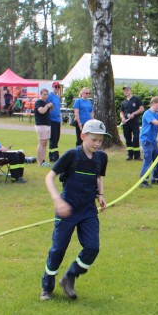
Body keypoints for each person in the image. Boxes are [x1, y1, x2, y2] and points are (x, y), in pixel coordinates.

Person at [39, 119, 110, 301]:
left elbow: (99, 176)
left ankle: (70, 276)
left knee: (92, 247)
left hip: (88, 210)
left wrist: (100, 194)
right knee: (58, 250)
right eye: (93, 139)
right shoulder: (71, 155)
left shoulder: (101, 158)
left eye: (100, 141)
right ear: (83, 136)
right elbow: (49, 178)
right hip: (67, 210)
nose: (97, 144)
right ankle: (47, 287)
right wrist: (57, 201)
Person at [120, 85, 145, 161]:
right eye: (125, 90)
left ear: (130, 90)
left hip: (134, 123)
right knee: (127, 139)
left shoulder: (136, 99)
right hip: (126, 124)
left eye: (127, 90)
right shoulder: (123, 102)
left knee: (136, 138)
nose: (126, 92)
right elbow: (121, 112)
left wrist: (134, 114)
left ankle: (137, 156)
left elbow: (142, 109)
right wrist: (122, 118)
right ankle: (130, 155)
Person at [34, 89, 53, 167]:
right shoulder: (39, 102)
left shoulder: (45, 103)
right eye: (44, 94)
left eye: (47, 95)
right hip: (41, 125)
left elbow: (48, 112)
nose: (46, 96)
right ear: (41, 94)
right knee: (42, 143)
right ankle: (40, 161)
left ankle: (43, 160)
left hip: (47, 124)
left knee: (45, 143)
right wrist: (47, 106)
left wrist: (50, 107)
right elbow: (41, 111)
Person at [48, 82, 63, 162]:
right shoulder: (50, 96)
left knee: (56, 138)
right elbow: (47, 105)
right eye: (56, 87)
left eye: (58, 87)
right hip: (52, 120)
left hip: (57, 119)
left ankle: (51, 155)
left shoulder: (57, 97)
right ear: (53, 87)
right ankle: (55, 156)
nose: (57, 88)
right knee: (53, 138)